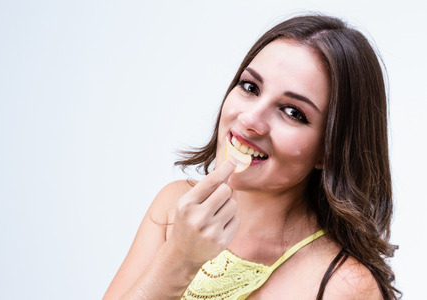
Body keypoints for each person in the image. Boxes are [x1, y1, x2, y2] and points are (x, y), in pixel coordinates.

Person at [103, 14, 400, 299]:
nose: (249, 120)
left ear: (330, 149)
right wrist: (179, 258)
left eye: (293, 112)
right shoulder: (174, 206)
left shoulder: (343, 285)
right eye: (250, 87)